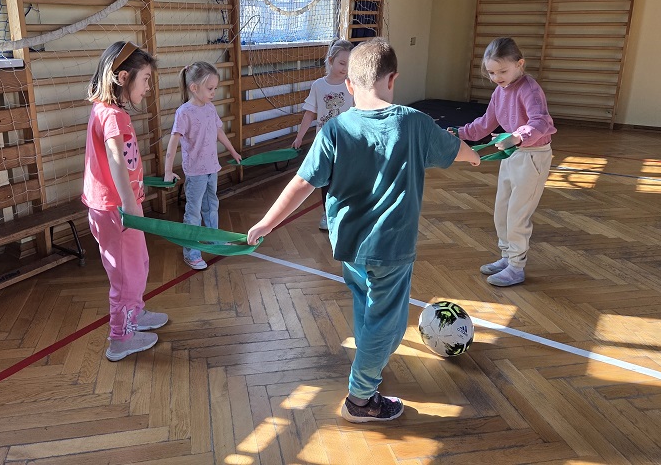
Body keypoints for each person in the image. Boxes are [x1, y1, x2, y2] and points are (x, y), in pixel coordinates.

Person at [247, 38, 480, 423]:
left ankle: (370, 360)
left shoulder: (336, 129)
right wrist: (474, 157)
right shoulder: (414, 122)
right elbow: (456, 150)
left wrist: (266, 222)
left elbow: (302, 184)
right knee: (386, 322)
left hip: (350, 246)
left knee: (368, 307)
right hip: (391, 249)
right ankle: (361, 398)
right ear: (393, 79)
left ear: (349, 85)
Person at [82, 41, 169, 362]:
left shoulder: (108, 111)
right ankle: (120, 338)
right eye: (145, 79)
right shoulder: (112, 116)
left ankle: (136, 313)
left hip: (120, 207)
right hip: (117, 210)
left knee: (138, 264)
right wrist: (130, 205)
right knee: (125, 276)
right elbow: (117, 160)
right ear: (122, 78)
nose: (148, 87)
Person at [452, 37, 555, 287]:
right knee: (502, 210)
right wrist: (459, 133)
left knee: (518, 213)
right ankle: (507, 257)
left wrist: (519, 136)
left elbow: (541, 121)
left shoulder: (530, 89)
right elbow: (485, 123)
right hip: (512, 153)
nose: (496, 77)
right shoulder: (500, 91)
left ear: (520, 64)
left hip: (533, 156)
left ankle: (517, 267)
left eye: (502, 71)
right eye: (491, 72)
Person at [164, 61, 241, 270]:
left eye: (215, 88)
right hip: (196, 172)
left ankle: (214, 239)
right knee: (193, 212)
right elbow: (173, 141)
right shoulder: (184, 112)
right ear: (194, 88)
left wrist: (232, 151)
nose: (213, 93)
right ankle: (191, 253)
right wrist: (168, 170)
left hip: (212, 168)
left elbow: (218, 131)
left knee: (212, 206)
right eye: (210, 88)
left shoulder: (210, 108)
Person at [290, 38, 354, 231]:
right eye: (342, 63)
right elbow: (309, 113)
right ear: (331, 60)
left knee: (344, 179)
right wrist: (299, 137)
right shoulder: (319, 85)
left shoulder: (352, 85)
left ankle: (344, 213)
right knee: (326, 181)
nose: (345, 68)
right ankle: (327, 214)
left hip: (347, 142)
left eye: (349, 64)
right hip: (325, 143)